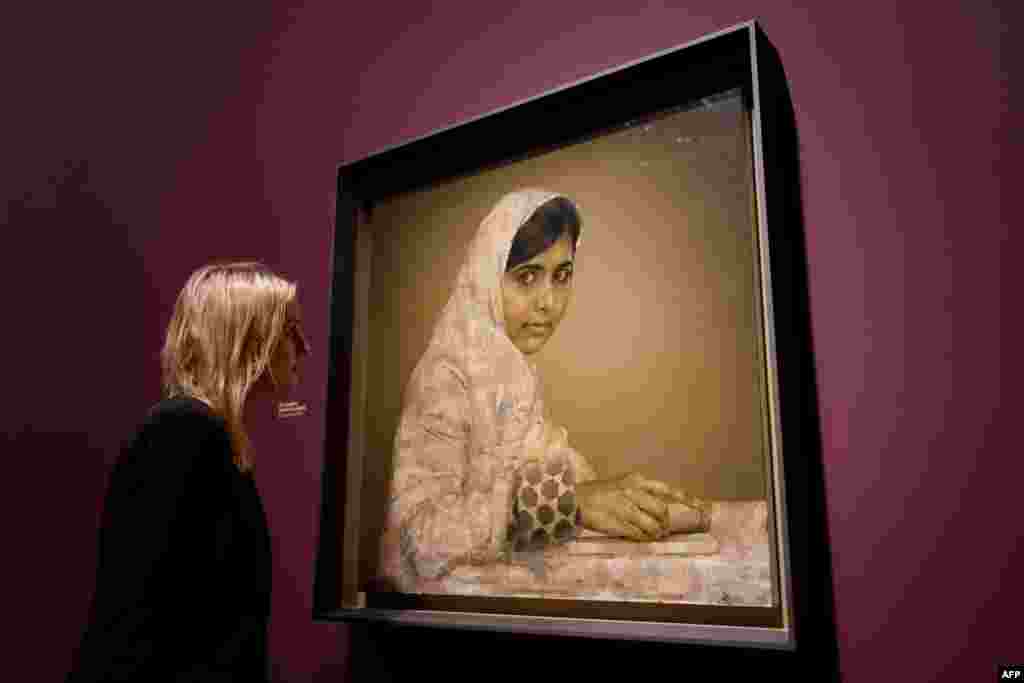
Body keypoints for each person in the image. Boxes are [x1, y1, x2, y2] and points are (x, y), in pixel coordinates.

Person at [379, 189, 710, 590]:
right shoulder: (446, 374)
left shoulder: (513, 373)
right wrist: (573, 501)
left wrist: (636, 502)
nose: (548, 302)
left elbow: (562, 472)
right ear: (486, 274)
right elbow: (421, 539)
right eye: (526, 277)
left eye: (562, 276)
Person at [68, 262, 310, 682]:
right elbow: (134, 624)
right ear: (246, 334)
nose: (303, 347)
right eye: (290, 328)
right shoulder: (181, 431)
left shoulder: (218, 442)